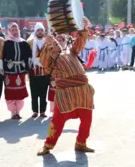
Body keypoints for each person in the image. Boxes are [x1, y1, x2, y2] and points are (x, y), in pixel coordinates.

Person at [37, 18, 95, 155]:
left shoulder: (71, 51)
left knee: (87, 120)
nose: (58, 42)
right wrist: (48, 44)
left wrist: (83, 28)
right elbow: (43, 61)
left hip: (83, 92)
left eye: (60, 41)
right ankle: (48, 145)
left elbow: (80, 41)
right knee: (56, 122)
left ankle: (81, 142)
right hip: (66, 94)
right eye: (55, 41)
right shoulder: (50, 59)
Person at [3, 22, 31, 119]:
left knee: (20, 92)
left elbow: (28, 57)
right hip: (9, 71)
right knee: (10, 93)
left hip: (20, 71)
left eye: (16, 30)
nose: (15, 32)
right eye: (12, 30)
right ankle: (12, 112)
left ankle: (18, 112)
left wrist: (27, 69)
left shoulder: (24, 43)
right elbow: (2, 57)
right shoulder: (6, 43)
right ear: (9, 31)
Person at [27, 22, 50, 118]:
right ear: (35, 31)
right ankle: (35, 111)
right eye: (38, 30)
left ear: (44, 31)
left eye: (41, 30)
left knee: (44, 92)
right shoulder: (30, 42)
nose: (40, 32)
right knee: (34, 92)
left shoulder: (47, 42)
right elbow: (27, 56)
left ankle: (43, 111)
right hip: (34, 70)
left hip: (45, 70)